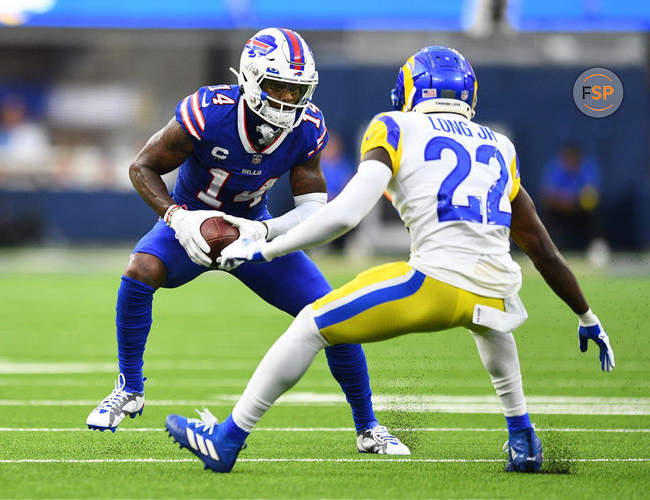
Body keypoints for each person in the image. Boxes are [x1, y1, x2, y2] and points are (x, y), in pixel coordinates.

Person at [164, 46, 615, 473]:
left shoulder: (395, 127)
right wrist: (587, 315)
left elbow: (344, 214)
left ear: (412, 90)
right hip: (497, 293)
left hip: (432, 287)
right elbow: (543, 249)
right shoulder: (501, 146)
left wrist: (262, 248)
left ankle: (227, 439)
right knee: (489, 319)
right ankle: (523, 438)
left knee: (309, 325)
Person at [86, 28, 409, 456]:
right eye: (278, 86)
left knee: (334, 315)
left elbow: (314, 207)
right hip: (189, 220)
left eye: (297, 90)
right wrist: (177, 220)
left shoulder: (306, 127)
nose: (288, 99)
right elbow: (142, 167)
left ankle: (368, 427)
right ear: (252, 79)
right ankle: (129, 387)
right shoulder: (209, 112)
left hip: (253, 230)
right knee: (139, 271)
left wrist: (263, 231)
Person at [538, 143, 604, 253]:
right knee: (544, 211)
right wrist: (563, 202)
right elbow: (546, 194)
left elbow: (594, 192)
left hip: (580, 208)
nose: (571, 161)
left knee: (596, 212)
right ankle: (541, 247)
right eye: (568, 158)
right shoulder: (556, 166)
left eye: (574, 158)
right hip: (560, 208)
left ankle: (596, 247)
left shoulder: (587, 167)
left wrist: (577, 202)